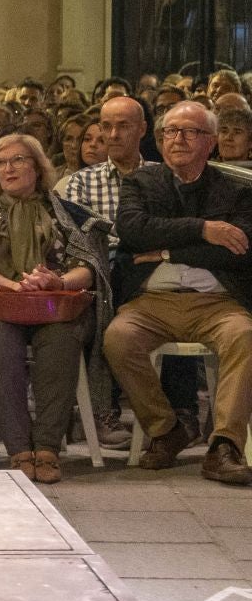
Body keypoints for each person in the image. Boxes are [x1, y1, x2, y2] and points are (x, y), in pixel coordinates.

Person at [0, 133, 109, 484]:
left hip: (54, 303)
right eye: (2, 162)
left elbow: (88, 266)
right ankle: (18, 447)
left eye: (18, 160)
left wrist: (57, 282)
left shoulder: (62, 212)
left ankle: (47, 447)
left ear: (37, 167)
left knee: (63, 338)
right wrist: (16, 286)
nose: (8, 168)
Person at [104, 102, 252, 484]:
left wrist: (167, 249)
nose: (178, 140)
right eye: (171, 132)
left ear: (212, 142)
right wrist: (204, 229)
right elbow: (134, 229)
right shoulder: (142, 182)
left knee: (245, 336)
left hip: (218, 302)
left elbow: (241, 248)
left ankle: (224, 446)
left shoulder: (236, 190)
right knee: (118, 338)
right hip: (153, 301)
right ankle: (166, 429)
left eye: (191, 132)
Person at [61, 95, 183, 447]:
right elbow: (83, 238)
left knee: (178, 296)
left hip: (154, 266)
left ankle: (182, 410)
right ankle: (103, 411)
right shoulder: (82, 182)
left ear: (143, 130)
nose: (112, 134)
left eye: (122, 126)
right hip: (104, 268)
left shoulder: (163, 177)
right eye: (106, 126)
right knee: (103, 295)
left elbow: (168, 231)